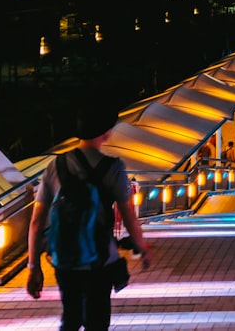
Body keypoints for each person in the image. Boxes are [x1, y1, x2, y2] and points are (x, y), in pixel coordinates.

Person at [26, 106, 151, 330]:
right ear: (107, 133)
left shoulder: (56, 166)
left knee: (71, 317)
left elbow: (36, 221)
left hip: (64, 259)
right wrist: (141, 247)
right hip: (100, 259)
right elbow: (128, 215)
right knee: (97, 321)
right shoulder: (113, 167)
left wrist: (33, 267)